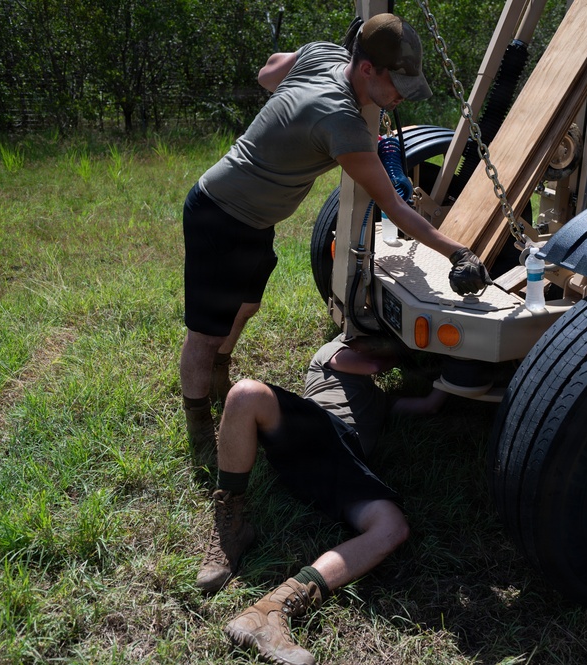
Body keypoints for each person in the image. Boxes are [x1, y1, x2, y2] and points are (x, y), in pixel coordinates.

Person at [180, 13, 489, 452]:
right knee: (205, 333)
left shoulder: (324, 53)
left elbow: (268, 72)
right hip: (219, 214)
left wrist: (291, 106)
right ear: (367, 69)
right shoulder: (342, 123)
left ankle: (219, 373)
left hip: (256, 219)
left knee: (246, 305)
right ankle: (199, 432)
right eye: (398, 84)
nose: (402, 95)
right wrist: (457, 252)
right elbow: (394, 206)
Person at [196, 334, 446, 665]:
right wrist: (409, 348)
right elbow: (373, 364)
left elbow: (427, 405)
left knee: (392, 527)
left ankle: (272, 610)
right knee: (245, 393)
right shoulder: (331, 353)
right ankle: (231, 529)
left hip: (343, 462)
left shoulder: (379, 399)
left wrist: (451, 378)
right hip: (316, 429)